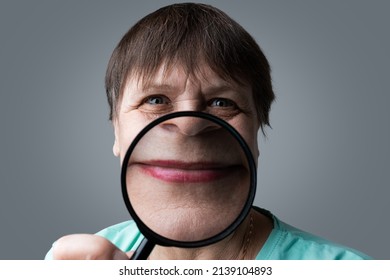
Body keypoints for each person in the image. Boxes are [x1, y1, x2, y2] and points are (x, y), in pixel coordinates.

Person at [46, 3, 371, 260]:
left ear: (256, 130)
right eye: (155, 100)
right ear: (116, 133)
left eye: (221, 102)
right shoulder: (79, 264)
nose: (189, 125)